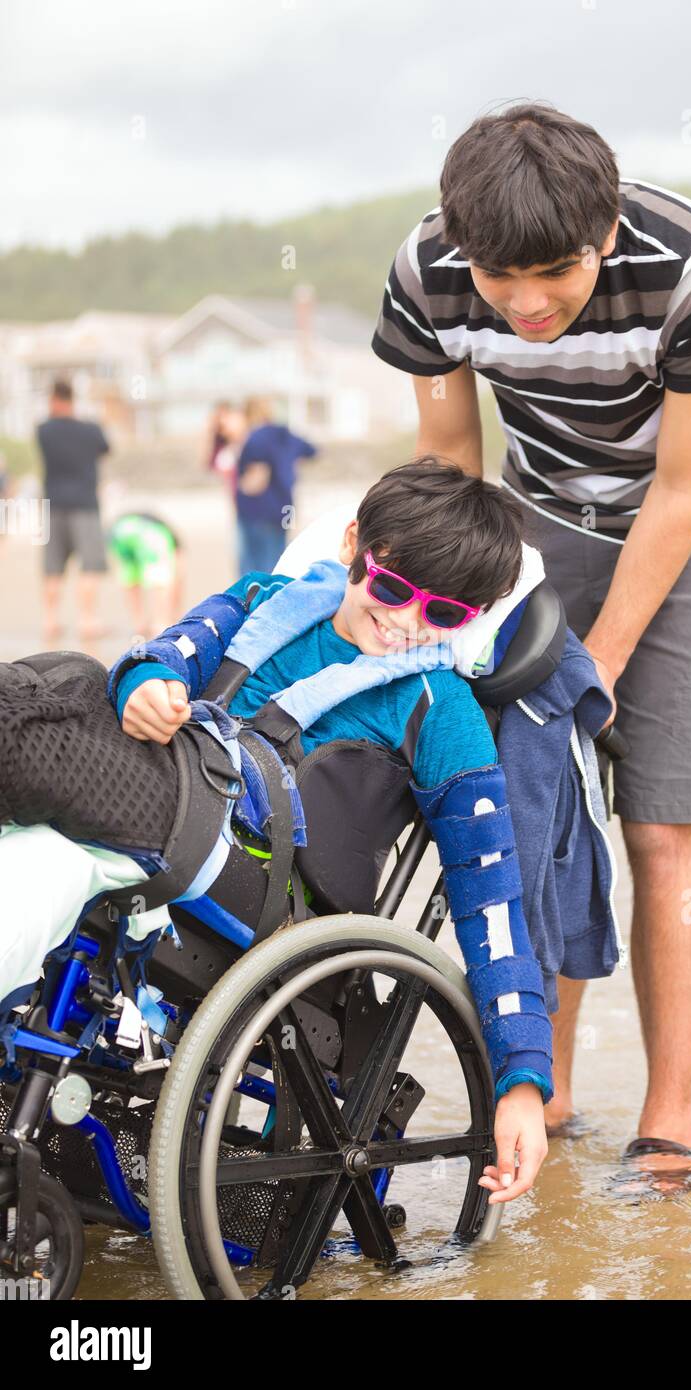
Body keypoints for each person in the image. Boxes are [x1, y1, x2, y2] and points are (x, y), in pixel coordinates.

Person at [372, 103, 691, 1168]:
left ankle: (668, 1123)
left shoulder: (690, 264)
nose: (527, 302)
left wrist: (595, 664)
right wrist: (426, 616)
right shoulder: (427, 270)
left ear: (602, 231)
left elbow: (682, 490)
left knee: (659, 823)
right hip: (534, 516)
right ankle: (539, 1096)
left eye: (554, 270)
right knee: (530, 802)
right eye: (500, 278)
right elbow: (450, 454)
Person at [0, 458, 553, 1204]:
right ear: (353, 545)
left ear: (473, 618)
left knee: (48, 705)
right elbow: (168, 653)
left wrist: (521, 1081)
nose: (403, 622)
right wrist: (146, 688)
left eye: (443, 615)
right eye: (389, 588)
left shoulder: (441, 710)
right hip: (146, 817)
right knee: (57, 746)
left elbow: (491, 904)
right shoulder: (263, 602)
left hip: (257, 884)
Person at [36, 379, 111, 644]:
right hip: (85, 504)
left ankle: (50, 620)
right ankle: (87, 620)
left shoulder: (44, 430)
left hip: (52, 504)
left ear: (54, 400)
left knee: (53, 566)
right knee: (90, 565)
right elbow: (105, 448)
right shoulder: (90, 430)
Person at [235, 397, 316, 576]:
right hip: (286, 507)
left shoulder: (255, 438)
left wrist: (240, 487)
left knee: (253, 570)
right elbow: (312, 450)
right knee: (279, 562)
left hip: (257, 511)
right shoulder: (286, 435)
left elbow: (258, 478)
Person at [107, 511, 184, 639]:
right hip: (146, 530)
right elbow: (176, 578)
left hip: (119, 528)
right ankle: (161, 622)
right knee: (162, 580)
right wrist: (176, 615)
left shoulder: (165, 529)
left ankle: (138, 623)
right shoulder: (173, 542)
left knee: (131, 576)